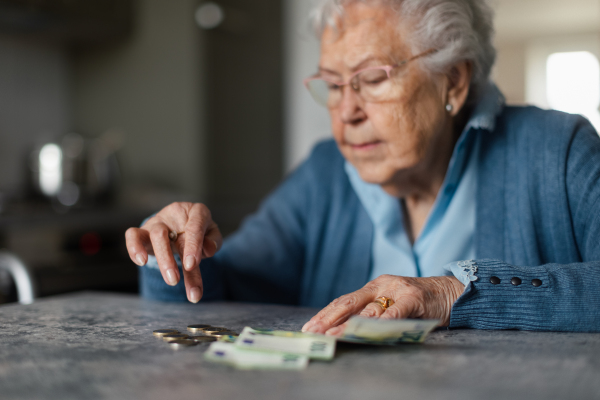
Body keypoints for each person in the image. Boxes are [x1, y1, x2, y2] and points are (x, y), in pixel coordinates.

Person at [126, 0, 600, 333]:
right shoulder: (325, 174)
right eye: (333, 85)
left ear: (452, 83)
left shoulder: (558, 152)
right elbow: (219, 291)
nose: (346, 111)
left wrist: (450, 294)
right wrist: (172, 254)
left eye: (371, 79)